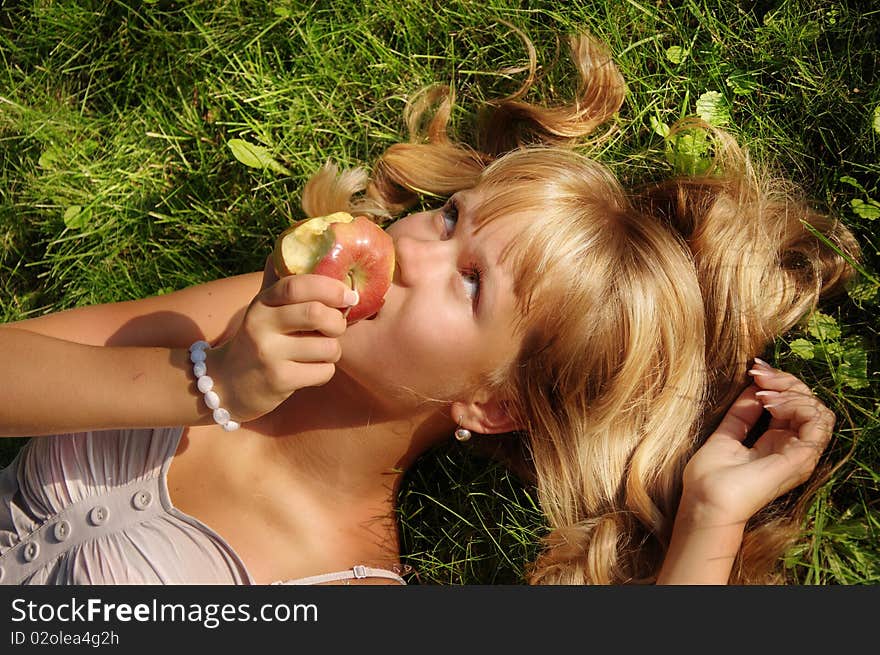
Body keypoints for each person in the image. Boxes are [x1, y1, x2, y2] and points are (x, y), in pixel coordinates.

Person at [0, 32, 860, 586]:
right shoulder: (233, 327)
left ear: (492, 404)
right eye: (450, 218)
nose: (409, 245)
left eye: (472, 280)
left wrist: (709, 518)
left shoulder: (346, 586)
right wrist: (203, 384)